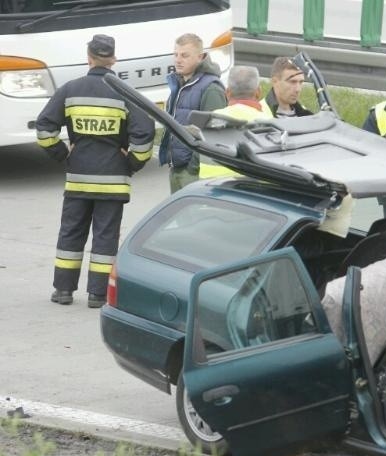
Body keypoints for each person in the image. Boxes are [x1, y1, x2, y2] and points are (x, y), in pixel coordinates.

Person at [35, 34, 155, 308]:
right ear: (113, 59)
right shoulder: (125, 93)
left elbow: (44, 129)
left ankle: (63, 291)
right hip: (113, 182)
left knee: (70, 234)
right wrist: (132, 163)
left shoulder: (70, 90)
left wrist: (63, 154)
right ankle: (97, 295)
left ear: (88, 57)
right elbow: (145, 133)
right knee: (105, 236)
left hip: (78, 179)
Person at [158, 33, 227, 193]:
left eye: (184, 55)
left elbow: (214, 134)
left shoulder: (211, 88)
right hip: (177, 167)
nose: (178, 60)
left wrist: (192, 167)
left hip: (193, 173)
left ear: (200, 57)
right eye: (175, 55)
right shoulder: (180, 83)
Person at [198, 65, 273, 179]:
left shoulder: (211, 119)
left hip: (209, 190)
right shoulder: (268, 123)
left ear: (227, 92)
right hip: (246, 191)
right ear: (258, 92)